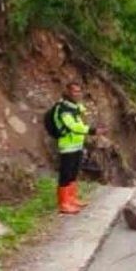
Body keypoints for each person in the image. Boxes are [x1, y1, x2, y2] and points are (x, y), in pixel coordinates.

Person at [52, 82, 98, 214]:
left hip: (77, 145)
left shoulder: (74, 107)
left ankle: (72, 199)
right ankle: (64, 203)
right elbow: (73, 126)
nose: (77, 94)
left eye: (79, 91)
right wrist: (92, 130)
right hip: (67, 146)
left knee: (73, 172)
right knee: (65, 174)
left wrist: (80, 108)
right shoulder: (63, 109)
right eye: (74, 91)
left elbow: (82, 112)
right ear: (67, 91)